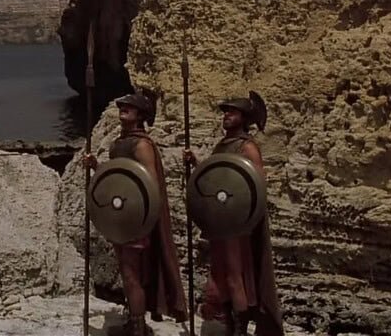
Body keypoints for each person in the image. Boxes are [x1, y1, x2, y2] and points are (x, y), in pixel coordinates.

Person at [83, 91, 187, 334]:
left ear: (141, 114)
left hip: (136, 219)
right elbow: (120, 180)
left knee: (131, 275)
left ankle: (138, 328)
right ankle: (134, 320)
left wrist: (139, 219)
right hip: (122, 217)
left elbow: (148, 185)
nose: (123, 109)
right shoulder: (119, 143)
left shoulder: (141, 145)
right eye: (122, 106)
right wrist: (97, 168)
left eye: (129, 107)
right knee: (126, 272)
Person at [184, 93, 284, 335]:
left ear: (244, 118)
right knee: (220, 276)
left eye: (232, 112)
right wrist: (199, 165)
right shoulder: (223, 145)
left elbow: (257, 186)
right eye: (226, 111)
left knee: (234, 277)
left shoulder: (247, 147)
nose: (226, 115)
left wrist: (245, 221)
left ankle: (239, 329)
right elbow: (218, 181)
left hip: (237, 224)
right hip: (220, 223)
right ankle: (228, 326)